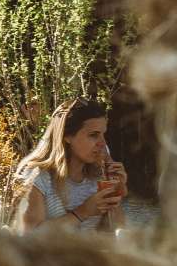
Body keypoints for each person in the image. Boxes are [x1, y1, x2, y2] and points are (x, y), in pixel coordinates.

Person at [13, 99, 128, 234]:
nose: (102, 143)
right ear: (66, 136)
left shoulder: (98, 175)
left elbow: (117, 231)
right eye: (93, 135)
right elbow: (29, 236)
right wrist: (82, 212)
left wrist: (116, 192)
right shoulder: (38, 177)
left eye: (103, 134)